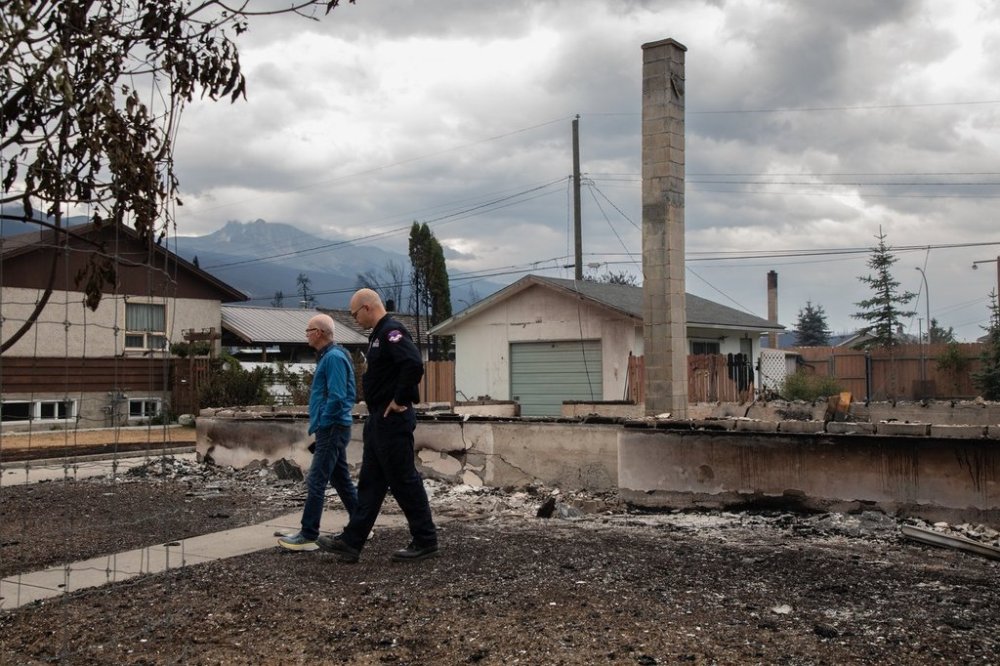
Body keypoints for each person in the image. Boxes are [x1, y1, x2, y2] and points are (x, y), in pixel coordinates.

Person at [318, 288, 438, 563]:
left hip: (391, 420)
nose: (354, 319)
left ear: (368, 307)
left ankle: (426, 539)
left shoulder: (391, 332)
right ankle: (352, 541)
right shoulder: (378, 335)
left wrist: (399, 399)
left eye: (354, 313)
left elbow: (412, 364)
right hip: (378, 421)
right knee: (370, 483)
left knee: (404, 480)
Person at [277, 314, 359, 551]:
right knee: (340, 479)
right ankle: (361, 525)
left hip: (331, 427)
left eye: (309, 330)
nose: (306, 334)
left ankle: (308, 533)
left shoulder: (333, 357)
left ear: (320, 332)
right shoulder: (331, 356)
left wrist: (323, 421)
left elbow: (337, 396)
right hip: (332, 426)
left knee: (316, 480)